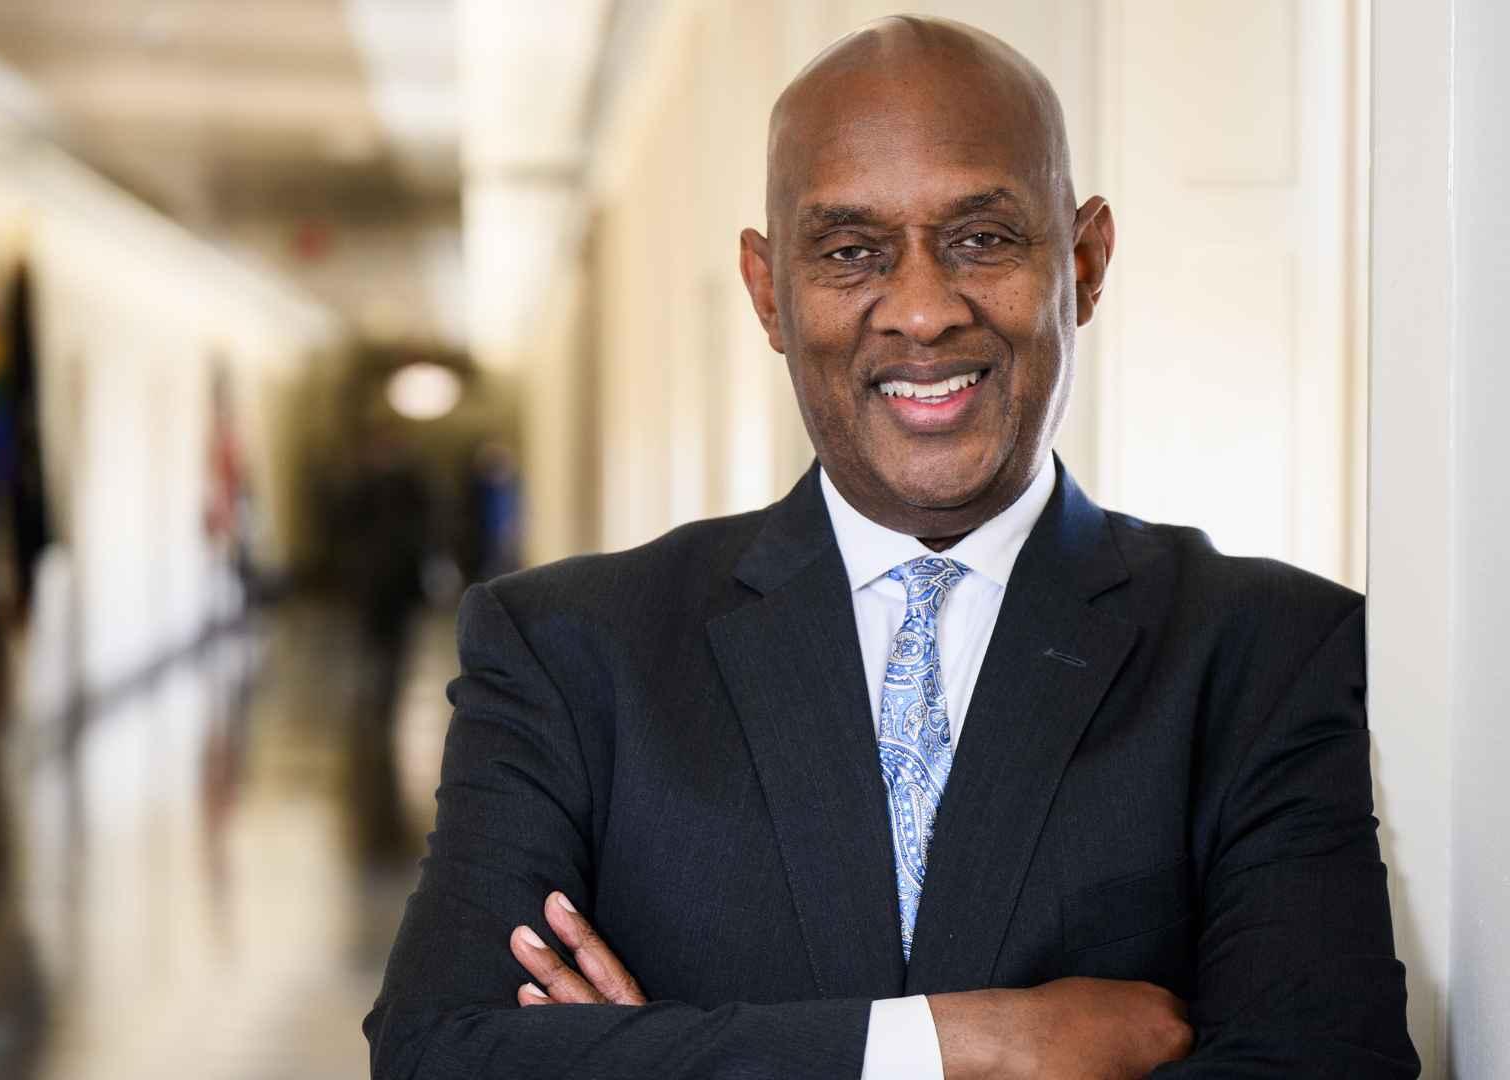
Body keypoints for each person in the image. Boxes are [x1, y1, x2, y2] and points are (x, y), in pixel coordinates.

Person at [366, 16, 1416, 1079]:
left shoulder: (1266, 652)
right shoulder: (567, 651)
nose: (921, 310)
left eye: (983, 238)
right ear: (769, 292)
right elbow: (440, 1053)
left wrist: (649, 1053)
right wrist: (964, 1045)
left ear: (1087, 262)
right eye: (851, 251)